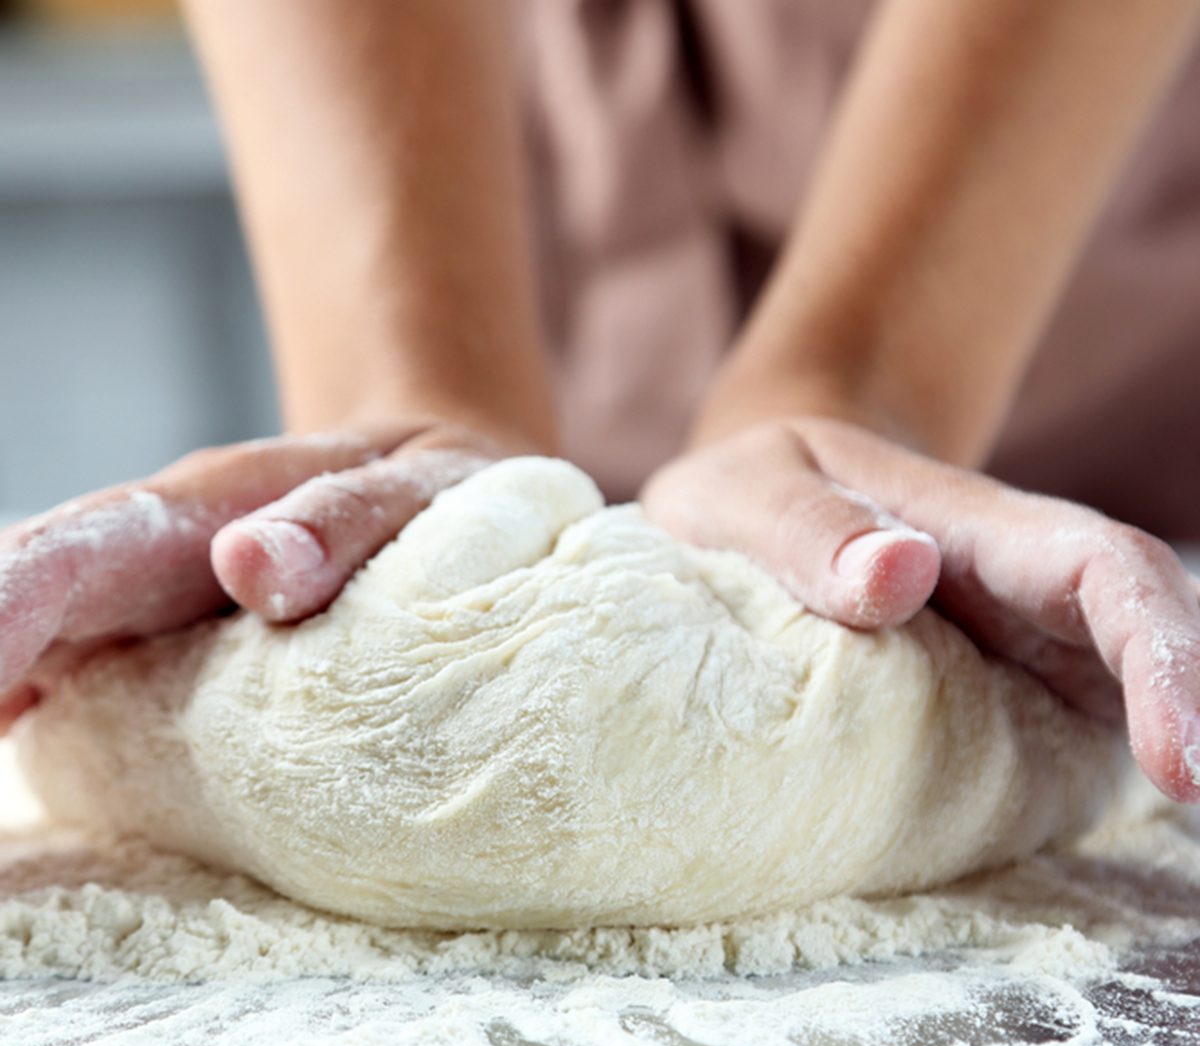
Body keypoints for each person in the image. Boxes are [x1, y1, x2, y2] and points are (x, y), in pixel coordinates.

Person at [2, 0, 1199, 806]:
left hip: (1048, 298)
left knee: (958, 651)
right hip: (489, 159)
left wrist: (875, 386)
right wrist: (409, 384)